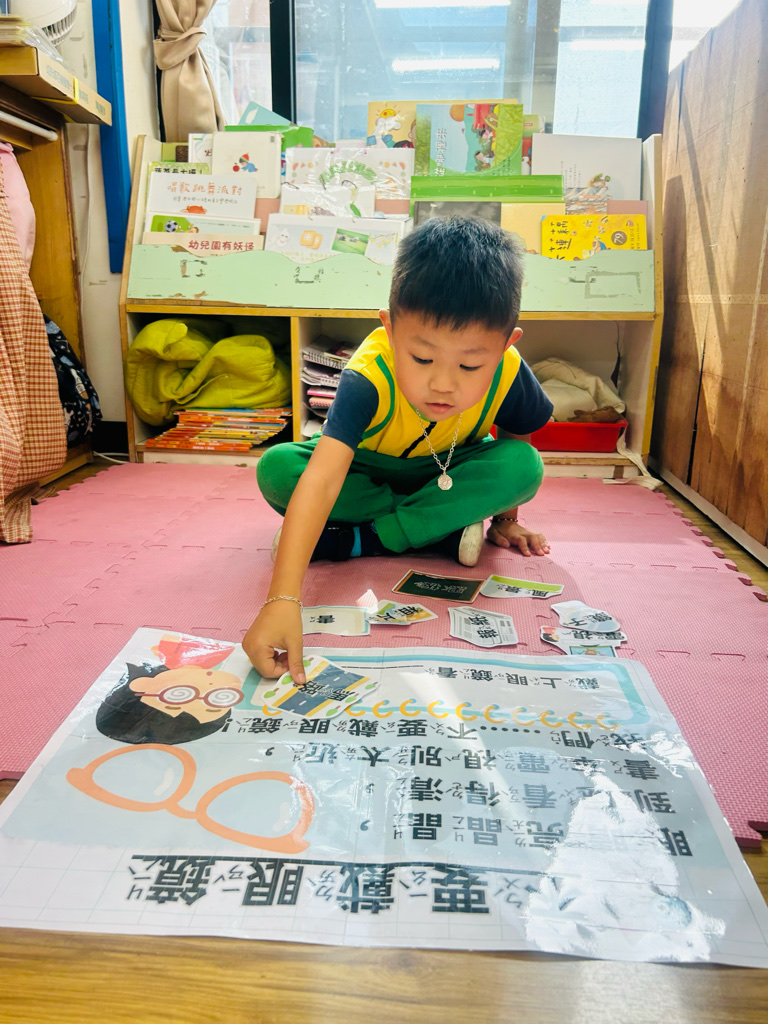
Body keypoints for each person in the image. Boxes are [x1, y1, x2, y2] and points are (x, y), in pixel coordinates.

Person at [244, 217, 554, 681]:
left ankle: (360, 539)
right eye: (422, 358)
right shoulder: (367, 375)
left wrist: (506, 522)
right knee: (278, 469)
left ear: (506, 345)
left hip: (448, 469)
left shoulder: (510, 369)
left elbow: (516, 437)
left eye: (471, 365)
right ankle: (440, 529)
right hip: (366, 472)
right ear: (389, 330)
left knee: (523, 466)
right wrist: (282, 599)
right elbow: (324, 478)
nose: (443, 384)